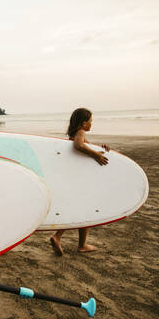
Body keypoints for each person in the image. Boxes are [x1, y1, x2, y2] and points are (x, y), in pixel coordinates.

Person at [50, 107, 110, 256]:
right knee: (83, 209)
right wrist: (96, 155)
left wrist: (101, 149)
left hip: (74, 177)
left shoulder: (75, 133)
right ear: (83, 123)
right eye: (90, 121)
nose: (91, 124)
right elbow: (79, 145)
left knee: (81, 209)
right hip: (79, 179)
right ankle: (68, 240)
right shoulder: (80, 133)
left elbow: (85, 148)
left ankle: (69, 240)